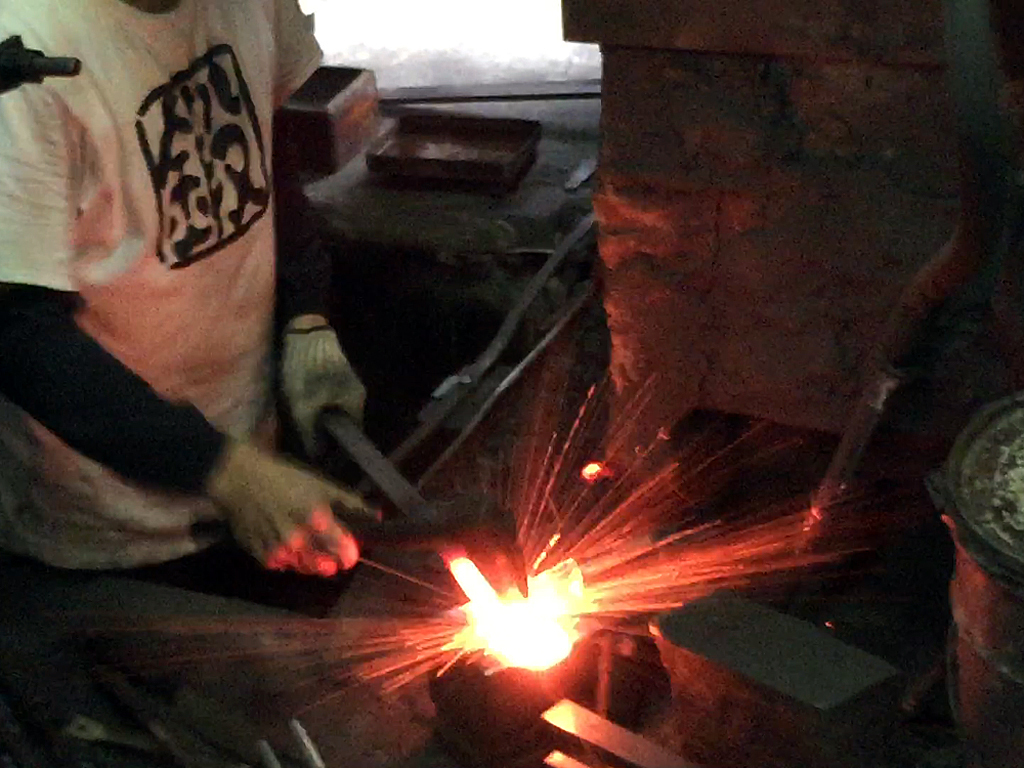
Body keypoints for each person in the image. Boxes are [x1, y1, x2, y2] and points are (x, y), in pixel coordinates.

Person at [0, 0, 375, 583]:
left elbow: (268, 145)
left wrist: (306, 316)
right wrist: (224, 471)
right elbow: (19, 333)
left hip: (255, 471)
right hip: (104, 527)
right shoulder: (25, 48)